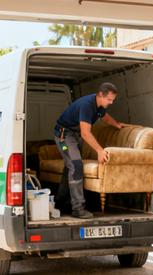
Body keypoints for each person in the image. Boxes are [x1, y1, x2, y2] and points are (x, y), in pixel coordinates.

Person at [54, 82, 125, 219]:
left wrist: (116, 124)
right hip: (64, 136)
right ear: (100, 95)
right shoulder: (86, 105)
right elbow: (86, 133)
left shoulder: (98, 105)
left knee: (70, 167)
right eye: (109, 99)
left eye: (112, 100)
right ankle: (78, 209)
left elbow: (104, 116)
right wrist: (99, 150)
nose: (111, 103)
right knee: (76, 165)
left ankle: (60, 203)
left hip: (75, 135)